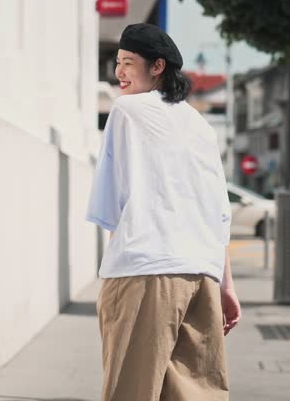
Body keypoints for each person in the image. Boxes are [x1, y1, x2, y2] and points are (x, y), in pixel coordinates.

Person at [86, 23, 240, 401]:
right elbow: (218, 210)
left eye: (127, 63)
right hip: (200, 276)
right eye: (117, 63)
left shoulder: (127, 110)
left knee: (131, 391)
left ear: (157, 67)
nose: (119, 72)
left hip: (145, 271)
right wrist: (226, 286)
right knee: (196, 393)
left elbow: (115, 204)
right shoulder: (201, 125)